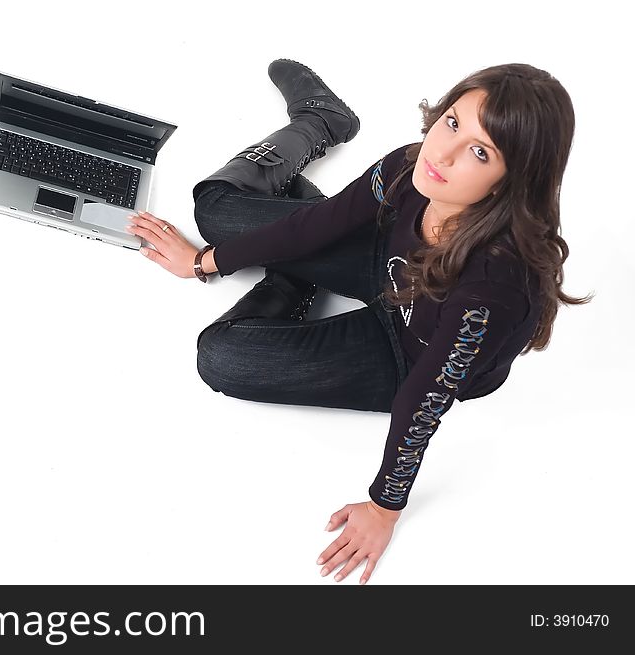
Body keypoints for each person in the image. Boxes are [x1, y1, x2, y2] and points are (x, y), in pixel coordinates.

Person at [124, 59, 589, 584]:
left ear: (513, 180)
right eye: (453, 122)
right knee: (215, 210)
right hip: (384, 267)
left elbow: (426, 395)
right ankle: (320, 121)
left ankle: (292, 281)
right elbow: (318, 224)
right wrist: (201, 263)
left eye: (480, 152)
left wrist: (383, 508)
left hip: (404, 352)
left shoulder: (493, 285)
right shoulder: (410, 168)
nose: (443, 152)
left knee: (222, 359)